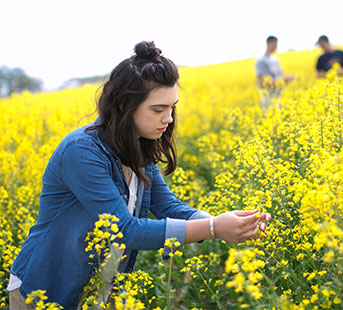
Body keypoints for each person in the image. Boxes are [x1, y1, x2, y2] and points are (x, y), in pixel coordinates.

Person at [7, 41, 272, 309]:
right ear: (125, 105)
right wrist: (214, 229)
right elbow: (123, 230)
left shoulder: (138, 147)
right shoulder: (82, 152)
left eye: (172, 108)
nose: (168, 119)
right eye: (158, 109)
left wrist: (227, 222)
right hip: (44, 292)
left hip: (98, 293)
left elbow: (167, 206)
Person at [256, 36, 294, 108]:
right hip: (269, 100)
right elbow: (262, 83)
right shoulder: (261, 61)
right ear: (269, 43)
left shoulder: (275, 59)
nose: (276, 46)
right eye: (275, 44)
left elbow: (279, 76)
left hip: (279, 97)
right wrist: (285, 80)